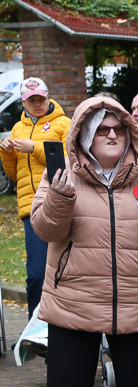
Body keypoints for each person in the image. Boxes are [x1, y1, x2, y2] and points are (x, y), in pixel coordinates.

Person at [25, 96, 138, 387]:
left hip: (135, 293)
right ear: (84, 135)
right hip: (74, 294)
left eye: (119, 128)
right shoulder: (62, 174)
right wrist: (61, 198)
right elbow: (44, 230)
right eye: (103, 129)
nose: (113, 134)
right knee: (67, 380)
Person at [0, 77, 70, 317]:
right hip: (31, 209)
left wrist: (35, 148)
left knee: (64, 272)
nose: (37, 104)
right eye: (32, 101)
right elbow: (15, 174)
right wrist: (6, 152)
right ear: (23, 102)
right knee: (36, 275)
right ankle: (35, 329)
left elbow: (68, 163)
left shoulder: (64, 124)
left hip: (61, 206)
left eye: (41, 99)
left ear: (48, 97)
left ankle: (63, 328)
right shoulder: (18, 128)